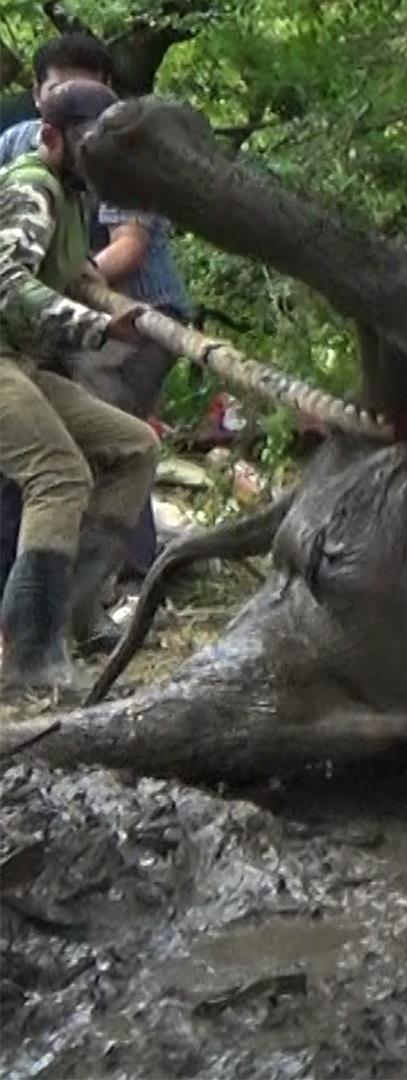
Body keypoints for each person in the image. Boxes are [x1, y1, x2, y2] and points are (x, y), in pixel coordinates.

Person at [0, 32, 192, 647]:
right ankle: (31, 654)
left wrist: (107, 302)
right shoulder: (32, 186)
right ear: (53, 137)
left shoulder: (74, 196)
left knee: (132, 448)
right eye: (89, 147)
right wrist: (94, 323)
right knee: (58, 473)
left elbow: (71, 271)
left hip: (22, 363)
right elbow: (6, 280)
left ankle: (78, 621)